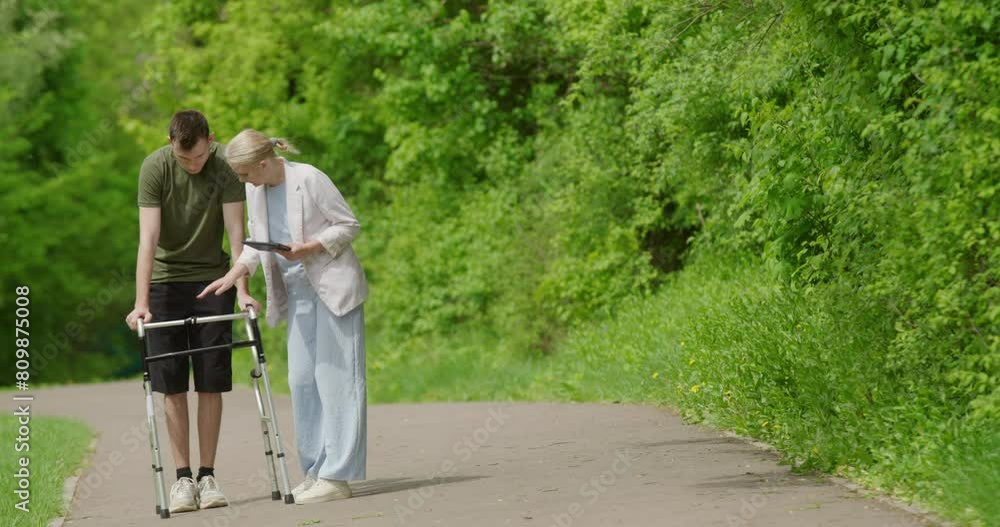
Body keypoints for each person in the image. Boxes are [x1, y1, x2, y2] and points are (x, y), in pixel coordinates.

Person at [198, 129, 368, 504]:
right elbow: (256, 246)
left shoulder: (309, 178)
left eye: (243, 174)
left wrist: (308, 247)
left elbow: (348, 225)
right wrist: (232, 274)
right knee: (302, 381)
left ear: (262, 163)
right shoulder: (255, 190)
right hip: (298, 295)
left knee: (337, 380)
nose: (241, 181)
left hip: (333, 290)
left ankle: (337, 476)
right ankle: (314, 471)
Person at [125, 111, 260, 513]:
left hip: (212, 280)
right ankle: (182, 478)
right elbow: (148, 239)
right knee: (171, 384)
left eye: (199, 157)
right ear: (171, 144)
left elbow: (237, 233)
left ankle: (208, 475)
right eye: (185, 160)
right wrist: (141, 302)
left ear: (211, 141)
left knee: (211, 380)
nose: (194, 165)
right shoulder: (154, 168)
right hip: (165, 281)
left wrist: (242, 290)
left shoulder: (225, 167)